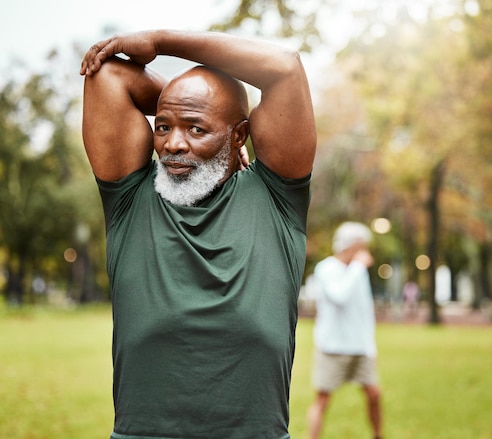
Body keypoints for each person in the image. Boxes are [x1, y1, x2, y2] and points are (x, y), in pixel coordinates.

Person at [80, 30, 316, 439]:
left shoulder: (276, 197)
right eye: (163, 126)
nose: (172, 144)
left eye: (195, 130)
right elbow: (110, 75)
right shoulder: (130, 199)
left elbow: (285, 67)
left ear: (239, 135)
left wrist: (160, 41)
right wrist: (193, 112)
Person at [307, 222, 383, 439]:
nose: (366, 251)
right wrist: (358, 267)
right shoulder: (326, 268)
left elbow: (364, 310)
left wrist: (370, 344)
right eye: (363, 246)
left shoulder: (357, 272)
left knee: (374, 394)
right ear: (352, 245)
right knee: (322, 399)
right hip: (332, 346)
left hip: (360, 346)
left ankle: (378, 435)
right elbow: (340, 296)